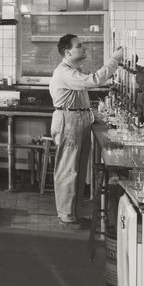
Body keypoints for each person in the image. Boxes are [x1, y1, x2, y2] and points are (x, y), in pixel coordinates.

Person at [49, 34, 125, 227]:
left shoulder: (73, 71)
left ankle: (73, 213)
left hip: (76, 120)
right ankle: (66, 216)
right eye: (79, 46)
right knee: (68, 170)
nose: (84, 48)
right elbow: (95, 80)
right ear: (68, 52)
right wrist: (115, 59)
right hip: (69, 121)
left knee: (78, 169)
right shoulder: (65, 72)